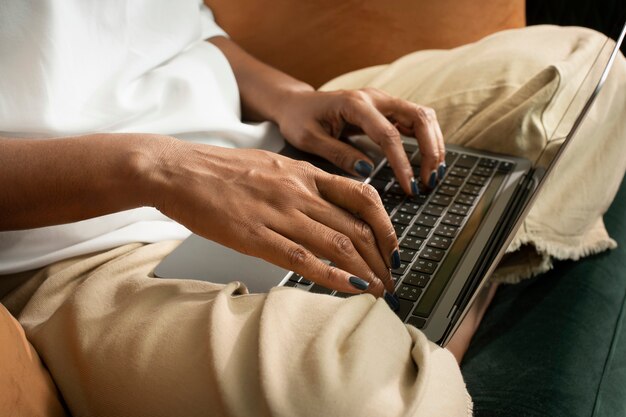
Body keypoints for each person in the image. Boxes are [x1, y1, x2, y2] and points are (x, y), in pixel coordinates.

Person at [0, 1, 476, 416]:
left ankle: (454, 291)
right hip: (77, 241)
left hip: (262, 153)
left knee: (546, 80)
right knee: (368, 401)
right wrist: (162, 170)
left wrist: (290, 98)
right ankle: (473, 285)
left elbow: (178, 28)